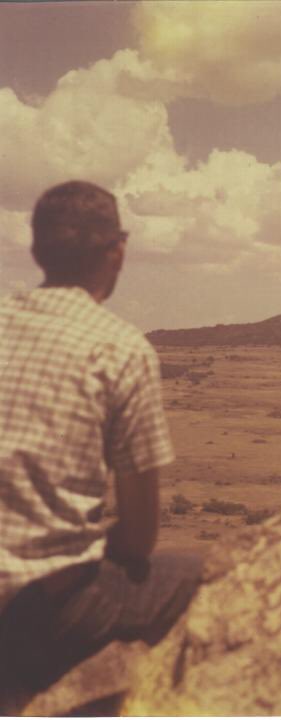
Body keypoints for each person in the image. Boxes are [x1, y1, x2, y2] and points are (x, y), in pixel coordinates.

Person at [0, 181, 201, 696]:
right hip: (40, 614)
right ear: (118, 251)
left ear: (36, 250)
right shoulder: (120, 348)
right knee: (197, 573)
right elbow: (138, 537)